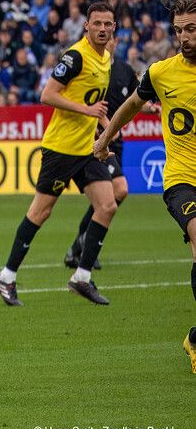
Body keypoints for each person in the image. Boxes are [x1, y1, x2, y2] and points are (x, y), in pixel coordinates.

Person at [93, 0, 196, 373]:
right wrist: (104, 139)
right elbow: (132, 106)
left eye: (192, 29)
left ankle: (195, 338)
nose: (184, 37)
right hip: (182, 179)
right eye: (179, 30)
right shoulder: (161, 72)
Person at [0, 2, 118, 307]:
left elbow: (96, 101)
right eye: (97, 23)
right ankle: (6, 277)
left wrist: (105, 126)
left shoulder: (107, 58)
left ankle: (82, 278)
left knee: (108, 205)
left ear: (114, 27)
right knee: (40, 212)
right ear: (86, 26)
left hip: (86, 148)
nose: (103, 29)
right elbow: (47, 94)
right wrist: (87, 110)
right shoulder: (75, 57)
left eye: (108, 24)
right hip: (60, 149)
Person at [64, 36, 162, 269]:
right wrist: (102, 124)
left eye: (112, 38)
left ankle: (79, 248)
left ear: (116, 41)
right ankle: (84, 245)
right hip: (96, 139)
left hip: (116, 140)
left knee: (109, 197)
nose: (108, 42)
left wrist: (153, 109)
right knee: (119, 190)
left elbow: (135, 100)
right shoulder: (91, 67)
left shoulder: (124, 69)